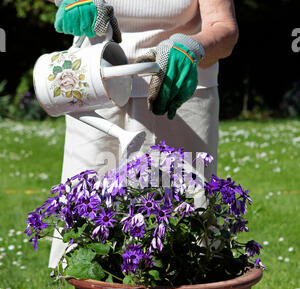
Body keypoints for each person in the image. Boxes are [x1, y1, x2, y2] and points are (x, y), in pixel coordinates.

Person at [47, 0, 238, 268]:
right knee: (87, 228)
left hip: (178, 92)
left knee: (188, 230)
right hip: (94, 85)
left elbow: (225, 30)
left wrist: (192, 47)